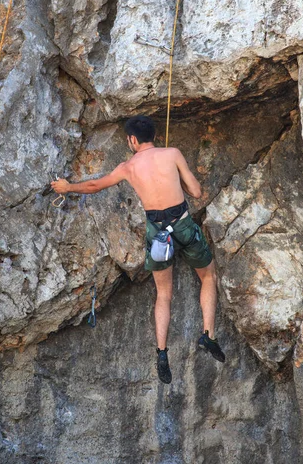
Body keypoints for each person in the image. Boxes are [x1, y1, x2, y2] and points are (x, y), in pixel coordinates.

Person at [51, 115, 225, 384]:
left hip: (158, 234)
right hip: (183, 226)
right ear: (153, 135)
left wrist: (67, 187)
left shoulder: (128, 167)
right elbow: (197, 191)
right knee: (208, 276)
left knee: (164, 293)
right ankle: (208, 335)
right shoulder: (173, 153)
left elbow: (95, 185)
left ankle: (162, 352)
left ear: (132, 139)